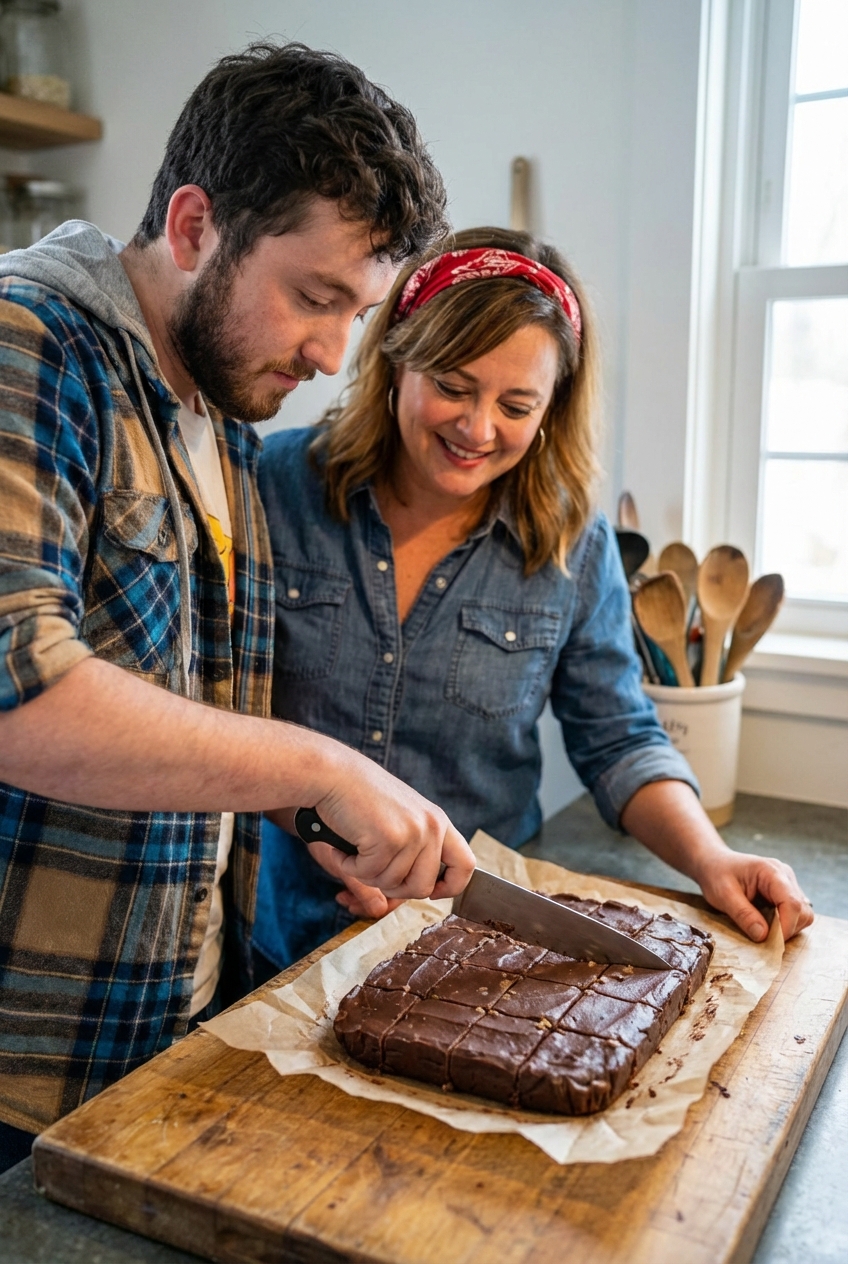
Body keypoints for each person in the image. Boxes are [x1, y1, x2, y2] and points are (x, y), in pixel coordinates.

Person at [0, 42, 477, 1170]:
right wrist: (319, 769)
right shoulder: (30, 347)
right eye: (314, 298)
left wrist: (319, 832)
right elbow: (16, 689)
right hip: (24, 1061)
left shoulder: (218, 410)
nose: (330, 351)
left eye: (354, 311)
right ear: (192, 225)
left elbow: (182, 717)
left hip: (160, 1034)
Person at [254, 225, 814, 978]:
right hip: (279, 938)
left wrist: (710, 859)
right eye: (452, 386)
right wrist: (320, 825)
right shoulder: (272, 487)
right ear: (396, 360)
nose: (477, 428)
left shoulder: (572, 545)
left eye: (516, 405)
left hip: (482, 953)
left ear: (552, 409)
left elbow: (616, 736)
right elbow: (218, 711)